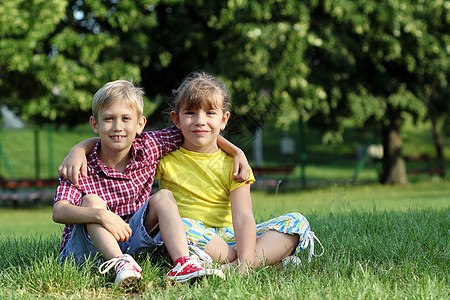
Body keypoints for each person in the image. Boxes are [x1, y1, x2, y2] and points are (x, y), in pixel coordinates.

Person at [53, 80, 249, 287]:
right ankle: (118, 262)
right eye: (109, 119)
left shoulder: (149, 147)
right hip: (87, 249)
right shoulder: (79, 165)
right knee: (92, 200)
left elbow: (199, 131)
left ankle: (184, 264)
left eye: (126, 119)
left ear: (140, 124)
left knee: (163, 197)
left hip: (133, 239)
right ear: (95, 124)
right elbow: (59, 211)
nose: (118, 127)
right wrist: (101, 215)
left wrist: (237, 151)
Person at [156, 72, 323, 273]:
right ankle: (265, 259)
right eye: (190, 113)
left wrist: (244, 255)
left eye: (210, 113)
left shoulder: (234, 164)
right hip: (190, 237)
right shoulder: (164, 158)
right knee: (179, 225)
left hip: (229, 238)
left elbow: (243, 216)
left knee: (296, 222)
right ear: (176, 119)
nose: (200, 121)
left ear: (224, 119)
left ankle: (239, 265)